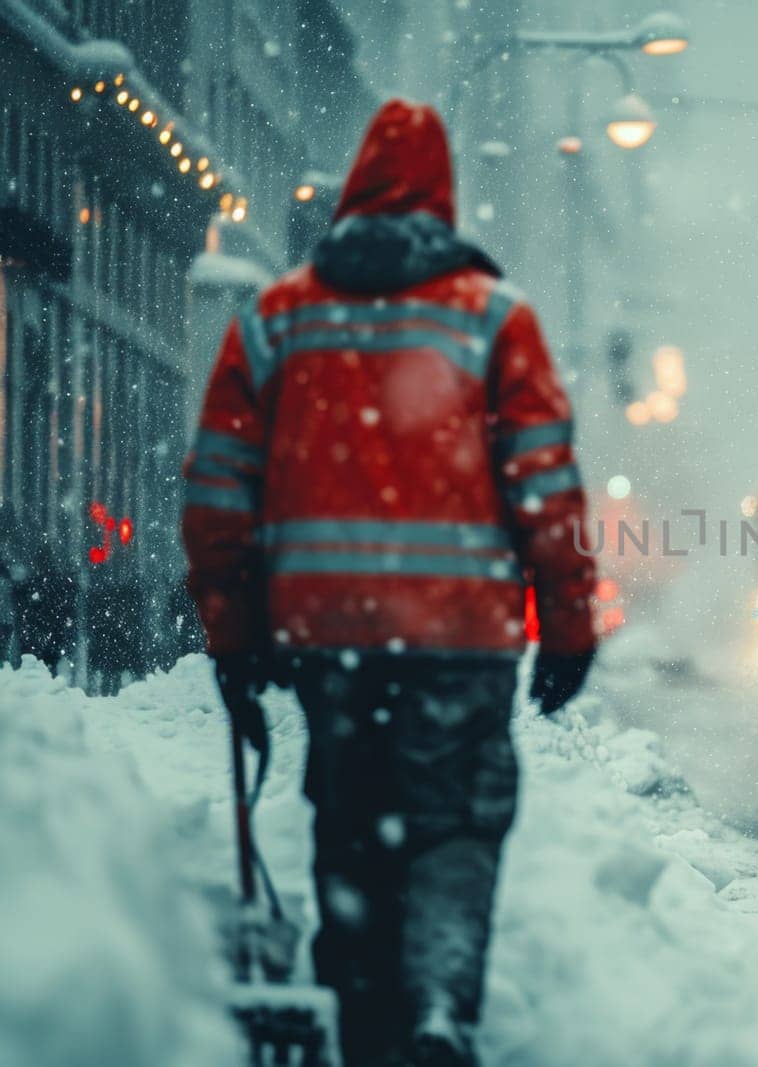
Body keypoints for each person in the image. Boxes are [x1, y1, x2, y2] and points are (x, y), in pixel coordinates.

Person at [181, 99, 596, 1067]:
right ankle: (440, 1005)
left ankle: (363, 1022)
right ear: (442, 199)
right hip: (461, 638)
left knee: (352, 823)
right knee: (456, 822)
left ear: (350, 192)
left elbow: (217, 489)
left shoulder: (277, 317)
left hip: (328, 638)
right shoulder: (495, 317)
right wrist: (569, 622)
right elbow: (545, 481)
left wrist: (232, 630)